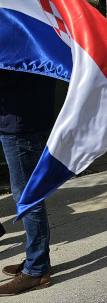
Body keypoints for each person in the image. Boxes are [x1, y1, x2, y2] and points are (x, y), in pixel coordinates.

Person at [0, 70, 54, 296]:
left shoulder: (14, 36)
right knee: (29, 195)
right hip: (28, 117)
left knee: (27, 198)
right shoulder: (34, 34)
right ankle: (38, 261)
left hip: (19, 124)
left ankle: (36, 269)